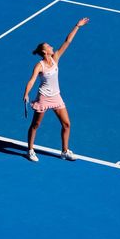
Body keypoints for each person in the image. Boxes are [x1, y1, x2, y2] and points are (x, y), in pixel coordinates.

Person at [23, 17, 90, 162]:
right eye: (48, 46)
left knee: (67, 124)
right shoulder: (39, 65)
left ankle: (64, 151)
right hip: (43, 98)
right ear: (44, 51)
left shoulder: (56, 57)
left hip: (56, 97)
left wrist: (77, 26)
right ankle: (30, 150)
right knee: (35, 125)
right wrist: (26, 93)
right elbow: (32, 80)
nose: (51, 46)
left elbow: (67, 41)